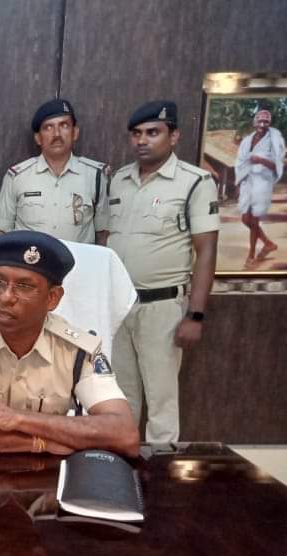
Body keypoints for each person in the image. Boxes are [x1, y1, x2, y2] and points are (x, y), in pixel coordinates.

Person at [0, 231, 139, 457]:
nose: (5, 297)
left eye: (23, 286)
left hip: (48, 476)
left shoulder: (77, 350)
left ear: (52, 298)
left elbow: (124, 434)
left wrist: (17, 419)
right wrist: (38, 443)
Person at [108, 101, 218, 443]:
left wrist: (195, 315)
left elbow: (206, 251)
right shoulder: (119, 180)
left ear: (173, 136)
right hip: (119, 307)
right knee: (119, 398)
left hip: (162, 309)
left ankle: (160, 473)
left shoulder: (194, 182)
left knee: (161, 401)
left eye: (152, 132)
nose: (142, 140)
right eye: (136, 134)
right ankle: (121, 468)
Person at [0, 98, 110, 244]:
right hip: (29, 259)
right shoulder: (17, 177)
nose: (57, 134)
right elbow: (2, 232)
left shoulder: (95, 176)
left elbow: (103, 234)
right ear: (38, 138)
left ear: (75, 132)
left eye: (64, 125)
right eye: (48, 127)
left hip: (78, 259)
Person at [235, 108, 284, 269]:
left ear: (270, 123)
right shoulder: (247, 140)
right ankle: (268, 244)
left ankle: (251, 256)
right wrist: (238, 182)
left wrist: (261, 161)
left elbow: (278, 165)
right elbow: (240, 162)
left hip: (262, 182)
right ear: (254, 122)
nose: (262, 124)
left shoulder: (274, 140)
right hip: (247, 181)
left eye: (266, 121)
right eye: (260, 120)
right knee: (245, 219)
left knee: (254, 219)